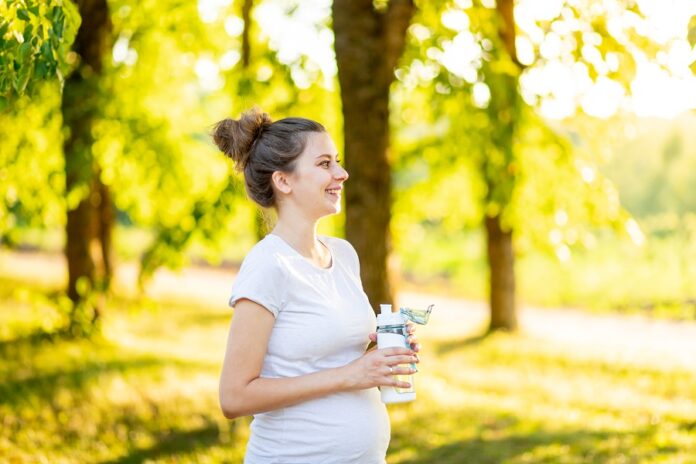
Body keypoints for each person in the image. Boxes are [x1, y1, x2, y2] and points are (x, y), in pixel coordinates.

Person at [214, 108, 421, 464]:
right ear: (283, 181)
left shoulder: (343, 255)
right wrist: (350, 375)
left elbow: (332, 359)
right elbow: (234, 397)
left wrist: (377, 359)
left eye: (337, 162)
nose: (342, 173)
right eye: (325, 163)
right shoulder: (268, 266)